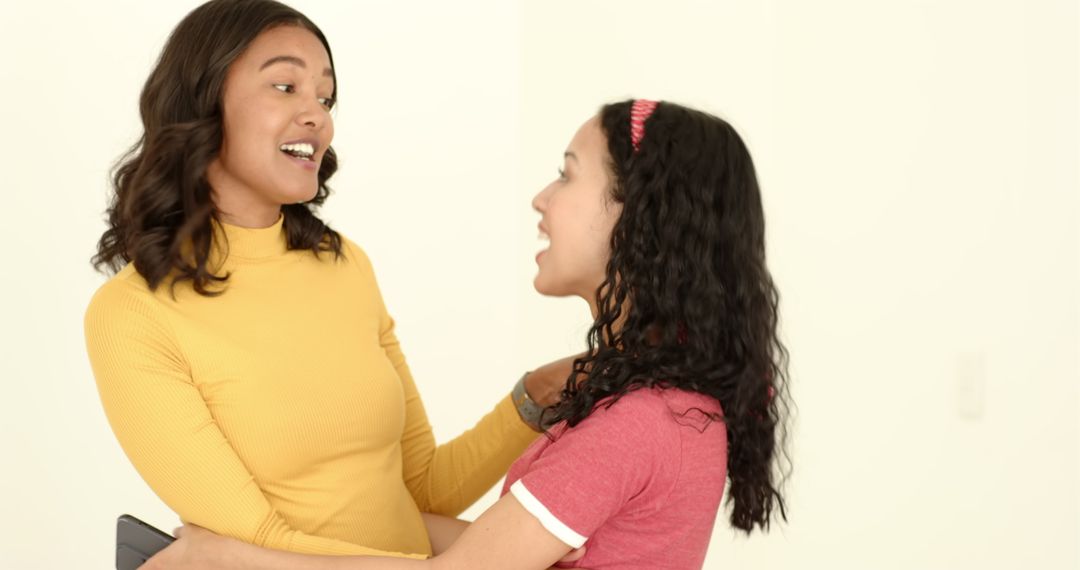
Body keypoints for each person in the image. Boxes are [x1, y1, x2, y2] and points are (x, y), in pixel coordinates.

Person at [143, 99, 792, 570]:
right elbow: (492, 548)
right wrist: (343, 511)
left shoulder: (637, 423)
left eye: (567, 175)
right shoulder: (666, 404)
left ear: (636, 216)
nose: (542, 199)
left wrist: (227, 558)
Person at [84, 0, 571, 560]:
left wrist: (536, 394)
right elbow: (258, 550)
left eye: (325, 96)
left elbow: (421, 492)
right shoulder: (133, 315)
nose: (317, 115)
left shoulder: (345, 266)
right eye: (285, 86)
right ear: (204, 99)